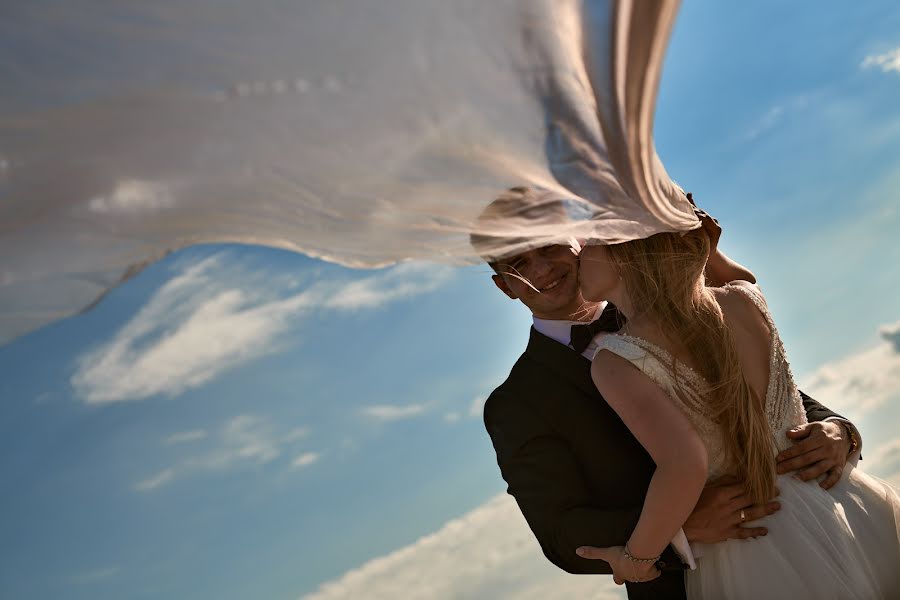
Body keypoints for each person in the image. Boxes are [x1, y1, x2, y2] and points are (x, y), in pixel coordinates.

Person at [475, 187, 864, 600]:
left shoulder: (681, 304)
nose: (541, 268)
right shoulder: (515, 405)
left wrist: (839, 431)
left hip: (812, 535)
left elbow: (764, 391)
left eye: (548, 245)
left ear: (579, 240)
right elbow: (560, 532)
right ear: (504, 287)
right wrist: (678, 529)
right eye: (519, 262)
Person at [572, 226, 900, 598]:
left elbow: (685, 465)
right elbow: (742, 279)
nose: (579, 251)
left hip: (754, 541)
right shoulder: (745, 300)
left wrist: (637, 558)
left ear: (624, 250)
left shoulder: (615, 361)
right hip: (839, 506)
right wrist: (707, 246)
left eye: (590, 240)